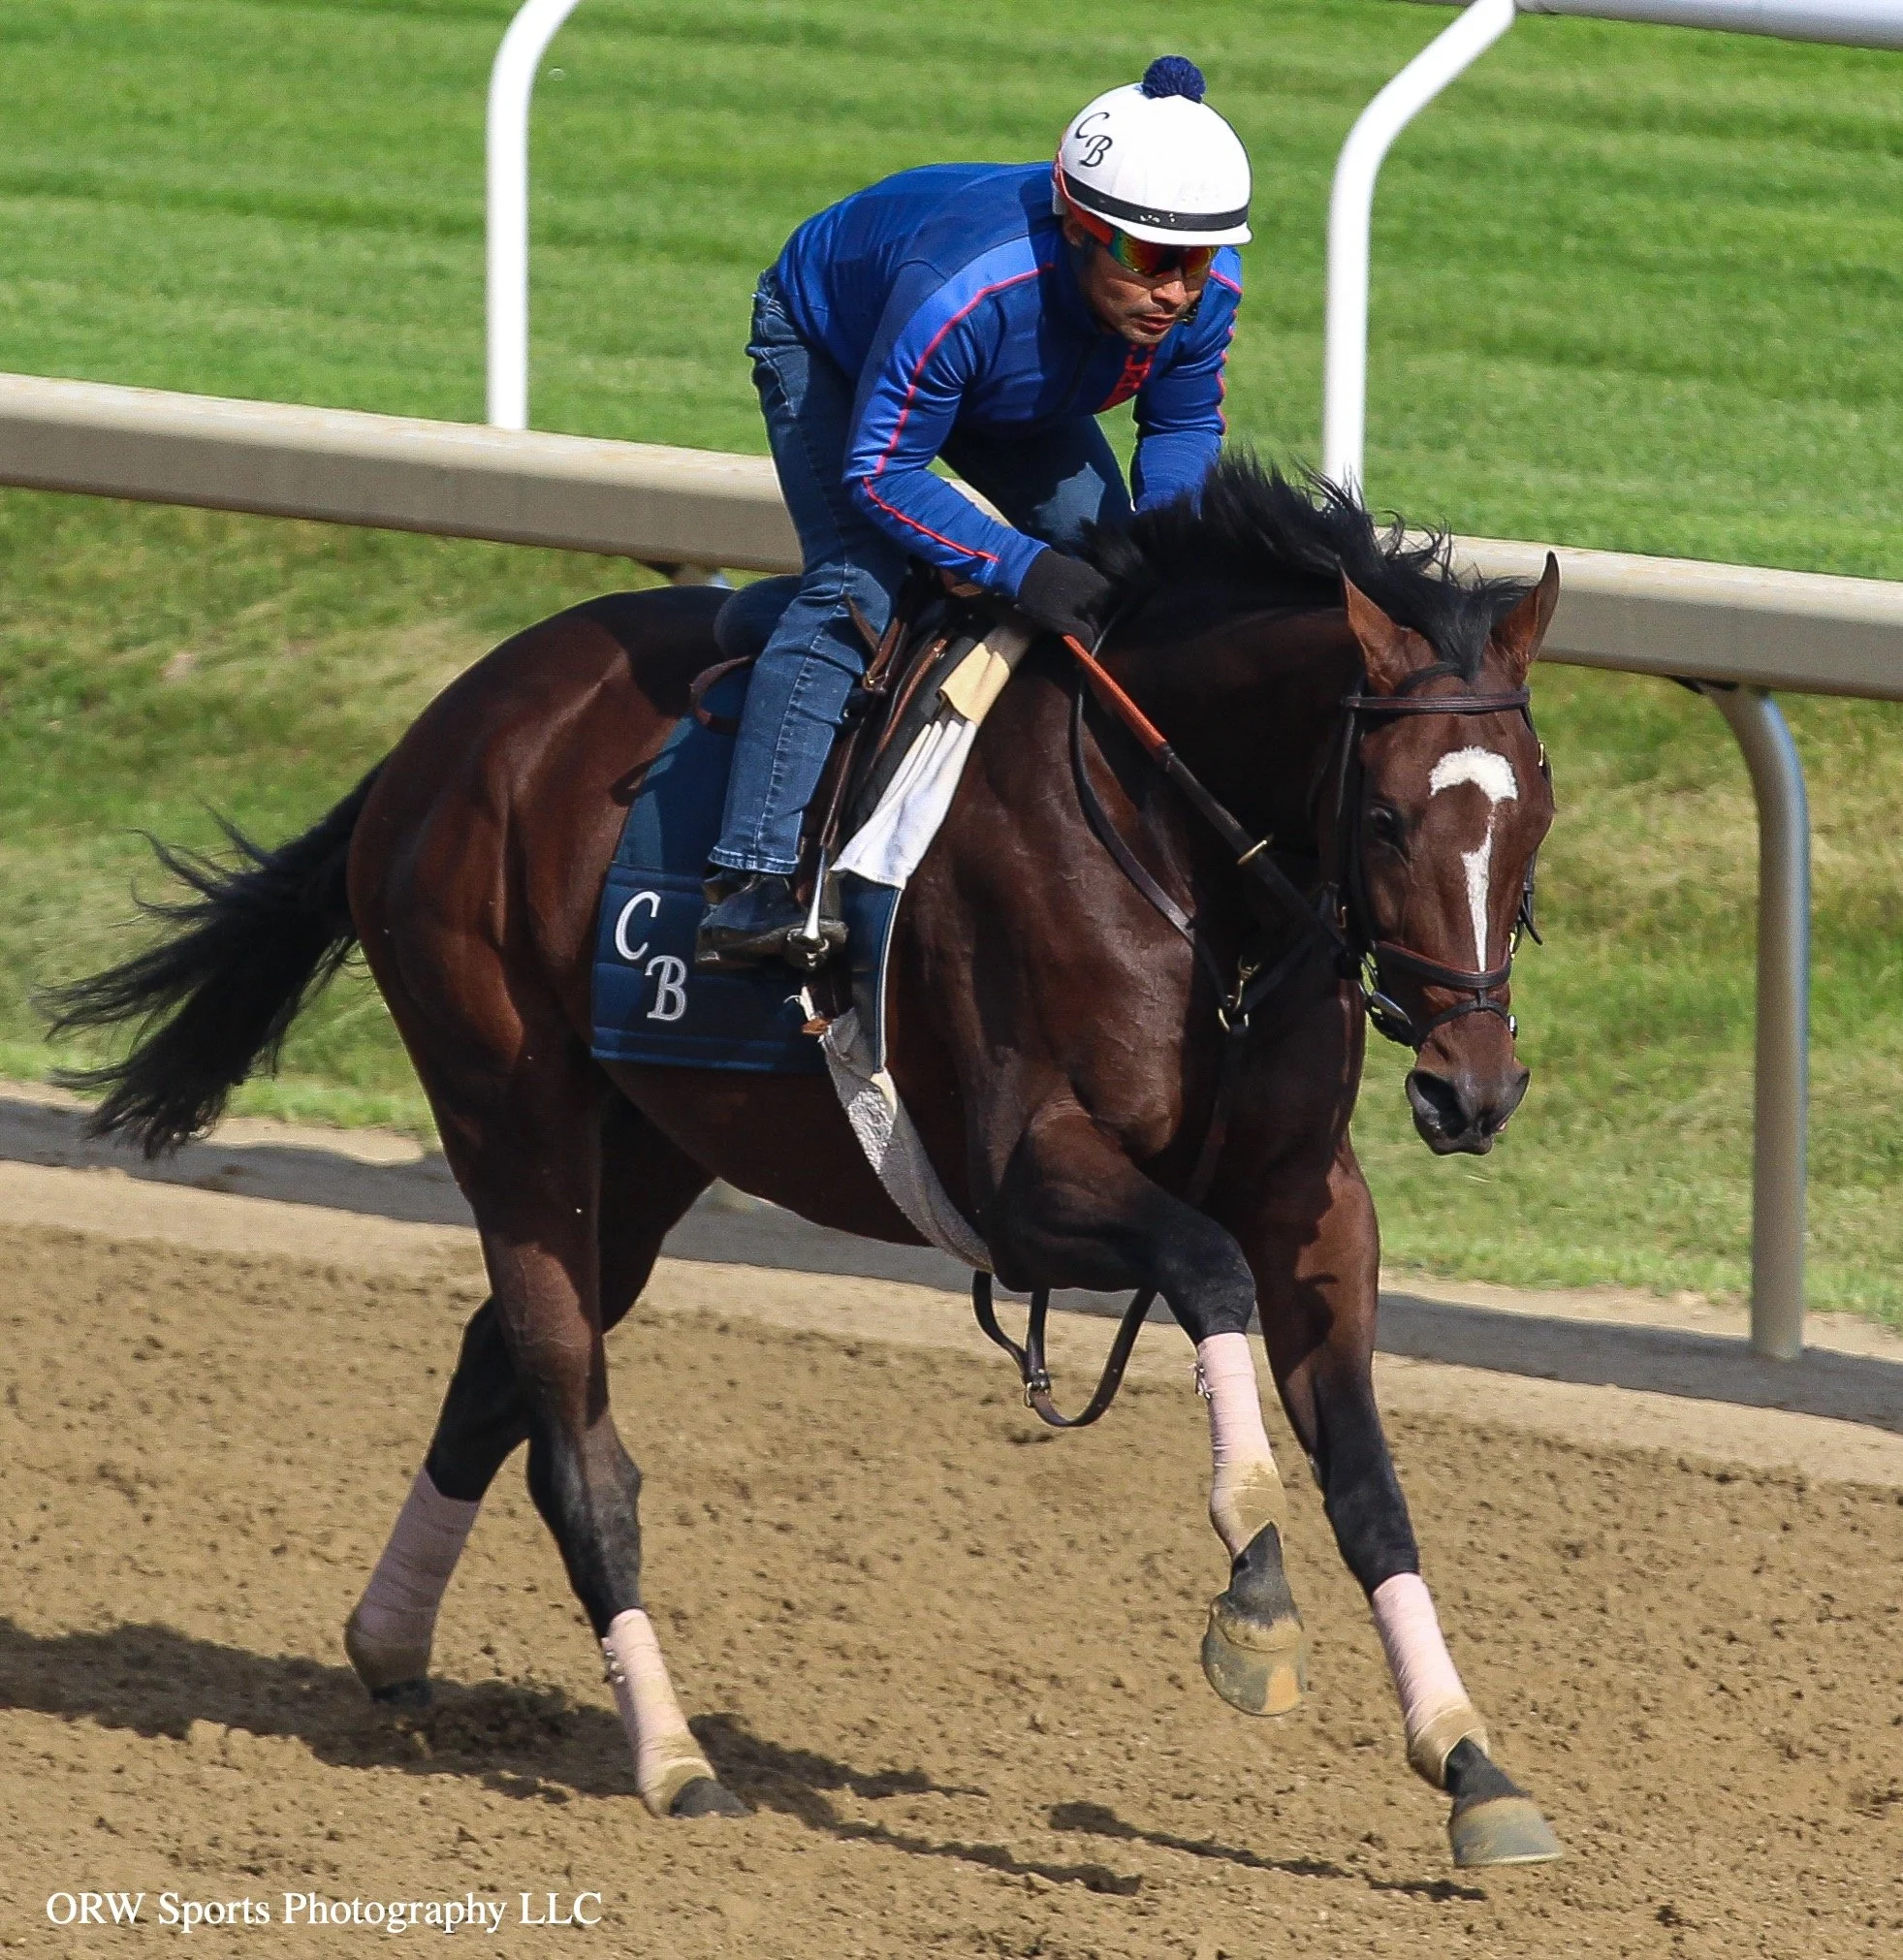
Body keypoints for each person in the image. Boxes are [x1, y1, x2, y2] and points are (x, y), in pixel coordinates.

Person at [696, 55, 1251, 971]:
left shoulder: (1201, 293)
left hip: (1010, 380)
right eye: (1150, 261)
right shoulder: (962, 289)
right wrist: (1019, 566)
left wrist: (1162, 552)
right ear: (1079, 228)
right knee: (856, 583)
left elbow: (1182, 423)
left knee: (1117, 571)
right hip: (833, 343)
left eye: (1197, 261)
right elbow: (882, 473)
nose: (1175, 293)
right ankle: (751, 874)